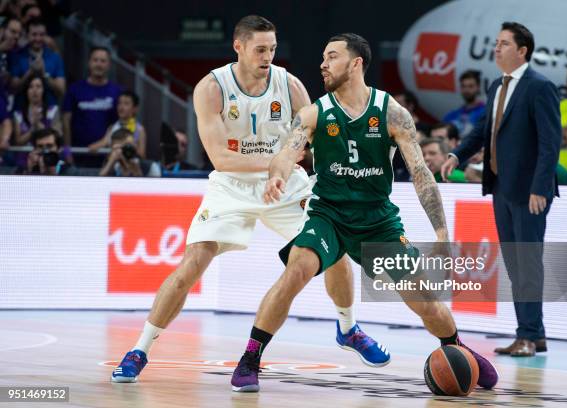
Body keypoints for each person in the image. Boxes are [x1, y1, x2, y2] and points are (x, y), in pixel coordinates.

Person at [110, 16, 388, 384]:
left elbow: (315, 141)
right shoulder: (211, 88)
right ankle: (140, 349)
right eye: (260, 49)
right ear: (238, 47)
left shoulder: (289, 86)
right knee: (193, 263)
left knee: (333, 249)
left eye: (272, 49)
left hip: (286, 183)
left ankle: (348, 328)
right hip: (232, 185)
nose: (267, 57)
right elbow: (222, 159)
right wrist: (281, 162)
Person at [230, 32, 498, 393]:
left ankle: (455, 348)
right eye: (323, 57)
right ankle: (250, 358)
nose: (323, 64)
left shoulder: (392, 113)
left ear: (356, 63)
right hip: (330, 216)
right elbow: (285, 152)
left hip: (378, 220)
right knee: (297, 270)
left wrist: (440, 230)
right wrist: (276, 176)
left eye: (332, 56)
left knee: (424, 300)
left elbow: (421, 174)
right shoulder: (314, 113)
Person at [442, 22, 561, 357]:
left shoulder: (540, 87)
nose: (496, 49)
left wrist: (540, 187)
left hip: (529, 191)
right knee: (514, 262)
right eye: (496, 43)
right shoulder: (497, 86)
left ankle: (526, 335)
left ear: (522, 51)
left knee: (528, 262)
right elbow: (482, 130)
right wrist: (456, 154)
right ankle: (533, 334)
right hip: (501, 187)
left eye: (504, 44)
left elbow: (551, 143)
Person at [62, 47, 122, 149]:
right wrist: (67, 150)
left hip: (108, 153)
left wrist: (105, 142)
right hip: (78, 152)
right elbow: (66, 120)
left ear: (109, 65)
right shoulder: (75, 89)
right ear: (89, 63)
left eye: (103, 61)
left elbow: (122, 122)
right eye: (95, 60)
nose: (99, 64)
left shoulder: (118, 91)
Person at [9, 18, 65, 103]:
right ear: (27, 35)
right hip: (21, 111)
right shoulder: (17, 56)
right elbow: (13, 89)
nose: (38, 39)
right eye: (34, 35)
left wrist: (44, 74)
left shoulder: (55, 57)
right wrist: (30, 72)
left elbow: (61, 91)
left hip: (49, 111)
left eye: (42, 35)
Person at [88, 90, 147, 158]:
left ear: (135, 108)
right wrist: (93, 146)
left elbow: (142, 156)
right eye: (119, 103)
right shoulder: (112, 127)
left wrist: (132, 146)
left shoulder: (139, 129)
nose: (121, 107)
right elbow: (103, 142)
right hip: (114, 166)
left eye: (126, 103)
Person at [13, 74, 61, 146]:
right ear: (26, 91)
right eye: (31, 87)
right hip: (24, 156)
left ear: (43, 90)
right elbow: (17, 142)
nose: (34, 90)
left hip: (46, 155)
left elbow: (57, 137)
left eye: (38, 86)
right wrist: (32, 130)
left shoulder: (53, 111)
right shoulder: (18, 114)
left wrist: (40, 126)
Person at [443, 70, 486, 138]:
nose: (466, 90)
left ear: (478, 87)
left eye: (470, 86)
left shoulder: (485, 113)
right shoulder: (453, 114)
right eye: (463, 86)